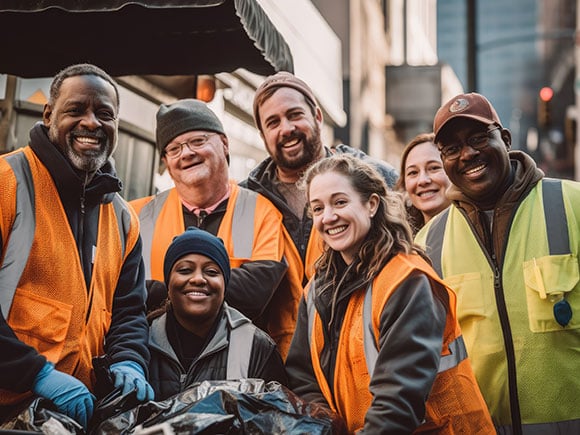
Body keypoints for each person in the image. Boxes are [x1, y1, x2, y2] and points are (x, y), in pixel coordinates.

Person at [285, 154, 494, 433]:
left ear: (371, 205)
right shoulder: (315, 291)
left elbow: (398, 400)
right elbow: (303, 378)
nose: (329, 217)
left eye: (340, 202)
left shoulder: (407, 281)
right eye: (318, 208)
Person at [415, 92, 580, 433]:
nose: (467, 154)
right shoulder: (428, 243)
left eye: (478, 138)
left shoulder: (572, 204)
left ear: (504, 139)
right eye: (451, 148)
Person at [0, 64, 153, 428]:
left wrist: (130, 360)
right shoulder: (7, 183)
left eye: (104, 114)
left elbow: (129, 311)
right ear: (49, 114)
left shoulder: (122, 217)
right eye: (76, 110)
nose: (91, 123)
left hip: (72, 416)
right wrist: (36, 374)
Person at [242, 72, 399, 349]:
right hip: (278, 364)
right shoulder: (246, 199)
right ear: (263, 135)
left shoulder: (377, 177)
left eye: (295, 115)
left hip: (361, 349)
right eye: (273, 122)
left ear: (317, 116)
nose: (286, 128)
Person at [129, 99, 296, 358]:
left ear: (224, 144)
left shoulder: (261, 211)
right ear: (166, 162)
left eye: (198, 141)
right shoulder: (136, 216)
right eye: (174, 148)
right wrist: (208, 288)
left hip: (238, 364)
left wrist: (160, 291)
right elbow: (123, 291)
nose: (186, 153)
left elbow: (254, 294)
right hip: (154, 360)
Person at [147, 227, 288, 401]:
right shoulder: (141, 340)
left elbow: (276, 421)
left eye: (211, 272)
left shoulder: (256, 346)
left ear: (225, 285)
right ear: (168, 284)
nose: (198, 279)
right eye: (185, 270)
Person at [396, 132, 451, 234]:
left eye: (434, 168)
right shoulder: (400, 243)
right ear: (404, 184)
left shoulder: (478, 229)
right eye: (413, 172)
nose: (422, 180)